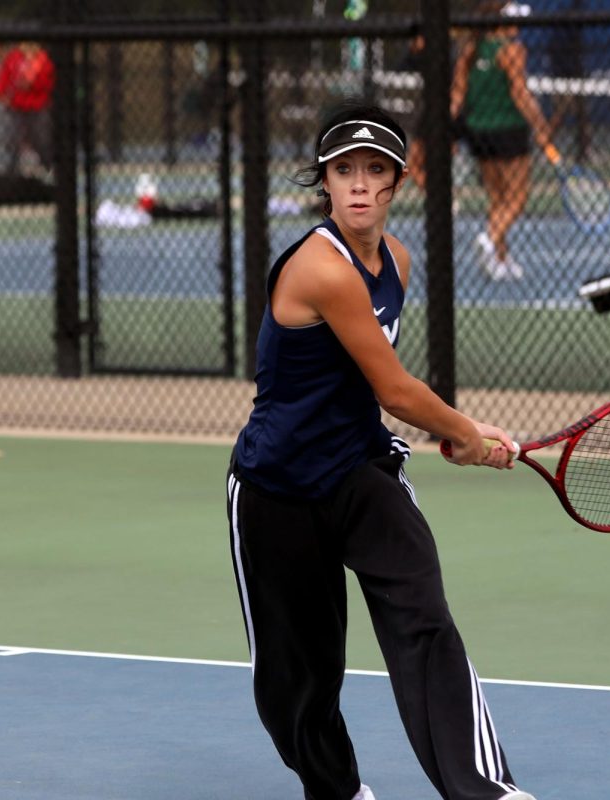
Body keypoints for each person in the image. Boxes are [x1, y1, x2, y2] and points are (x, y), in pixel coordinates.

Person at [226, 102, 537, 800]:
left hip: (361, 473)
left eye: (375, 171)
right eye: (344, 171)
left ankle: (486, 789)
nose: (360, 185)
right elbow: (396, 388)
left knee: (425, 622)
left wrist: (450, 433)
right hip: (277, 491)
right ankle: (337, 791)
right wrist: (467, 434)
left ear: (398, 182)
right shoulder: (320, 269)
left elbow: (373, 389)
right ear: (325, 183)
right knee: (297, 679)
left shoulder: (397, 260)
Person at [450, 1, 553, 281]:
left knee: (497, 199)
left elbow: (457, 95)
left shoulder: (471, 49)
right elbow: (520, 93)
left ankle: (501, 259)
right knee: (517, 198)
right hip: (509, 130)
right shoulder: (512, 49)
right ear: (502, 22)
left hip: (479, 133)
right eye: (514, 20)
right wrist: (541, 126)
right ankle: (490, 238)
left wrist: (450, 132)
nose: (519, 26)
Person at [0, 42, 55, 174]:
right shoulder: (13, 58)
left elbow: (48, 84)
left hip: (37, 106)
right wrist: (1, 94)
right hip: (17, 107)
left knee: (41, 139)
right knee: (13, 138)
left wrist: (32, 84)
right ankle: (11, 171)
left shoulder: (43, 60)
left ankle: (48, 166)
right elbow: (2, 79)